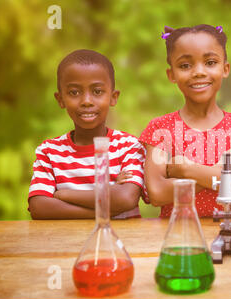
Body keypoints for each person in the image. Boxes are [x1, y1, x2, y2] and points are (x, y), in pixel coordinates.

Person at [140, 24, 231, 217]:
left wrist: (187, 169)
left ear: (225, 69)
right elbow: (157, 193)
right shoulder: (160, 129)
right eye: (185, 65)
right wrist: (224, 170)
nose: (199, 72)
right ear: (171, 74)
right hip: (176, 237)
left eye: (210, 62)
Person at [28, 49, 147, 219]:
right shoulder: (49, 151)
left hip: (122, 242)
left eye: (97, 91)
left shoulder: (128, 146)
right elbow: (39, 207)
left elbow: (125, 198)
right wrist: (107, 205)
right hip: (64, 244)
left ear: (113, 97)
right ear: (60, 99)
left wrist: (64, 195)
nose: (86, 101)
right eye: (74, 92)